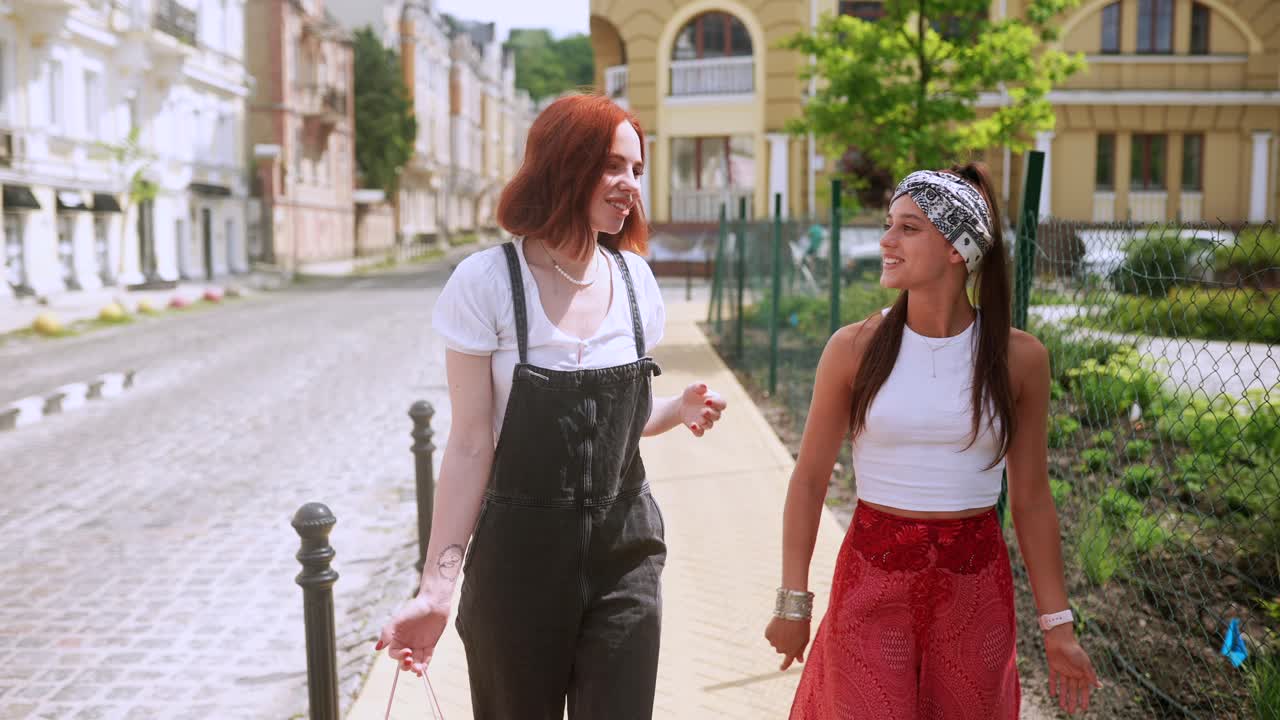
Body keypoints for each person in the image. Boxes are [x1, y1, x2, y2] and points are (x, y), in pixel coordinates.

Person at [375, 93, 728, 720]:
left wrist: (675, 408)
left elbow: (610, 429)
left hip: (626, 555)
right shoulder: (486, 284)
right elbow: (472, 444)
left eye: (637, 172)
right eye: (613, 166)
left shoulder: (637, 284)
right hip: (518, 564)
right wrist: (436, 588)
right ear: (564, 164)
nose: (630, 187)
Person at [765, 164, 1101, 717]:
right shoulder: (853, 349)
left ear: (956, 250)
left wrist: (1058, 626)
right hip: (872, 580)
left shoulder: (1020, 359)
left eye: (908, 228)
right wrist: (793, 602)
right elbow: (808, 480)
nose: (886, 241)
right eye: (888, 224)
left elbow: (1032, 498)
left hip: (975, 588)